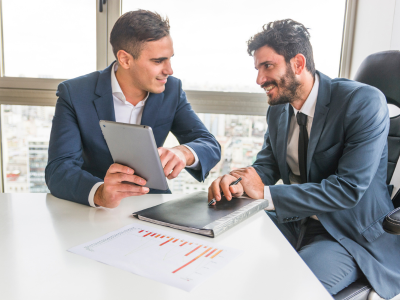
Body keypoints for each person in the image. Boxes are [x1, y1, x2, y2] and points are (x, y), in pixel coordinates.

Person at [208, 19, 400, 298]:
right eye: (258, 69)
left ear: (298, 63)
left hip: (348, 234)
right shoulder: (278, 111)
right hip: (293, 221)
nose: (259, 79)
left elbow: (348, 189)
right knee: (221, 249)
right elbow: (268, 165)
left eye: (268, 66)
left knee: (286, 292)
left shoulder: (362, 102)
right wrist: (237, 181)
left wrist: (264, 192)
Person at [46, 10, 220, 208]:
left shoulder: (172, 89)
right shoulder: (75, 93)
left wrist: (184, 153)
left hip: (153, 206)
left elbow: (209, 144)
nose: (169, 70)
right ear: (125, 59)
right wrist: (99, 193)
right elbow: (59, 169)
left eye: (170, 58)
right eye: (158, 61)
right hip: (95, 210)